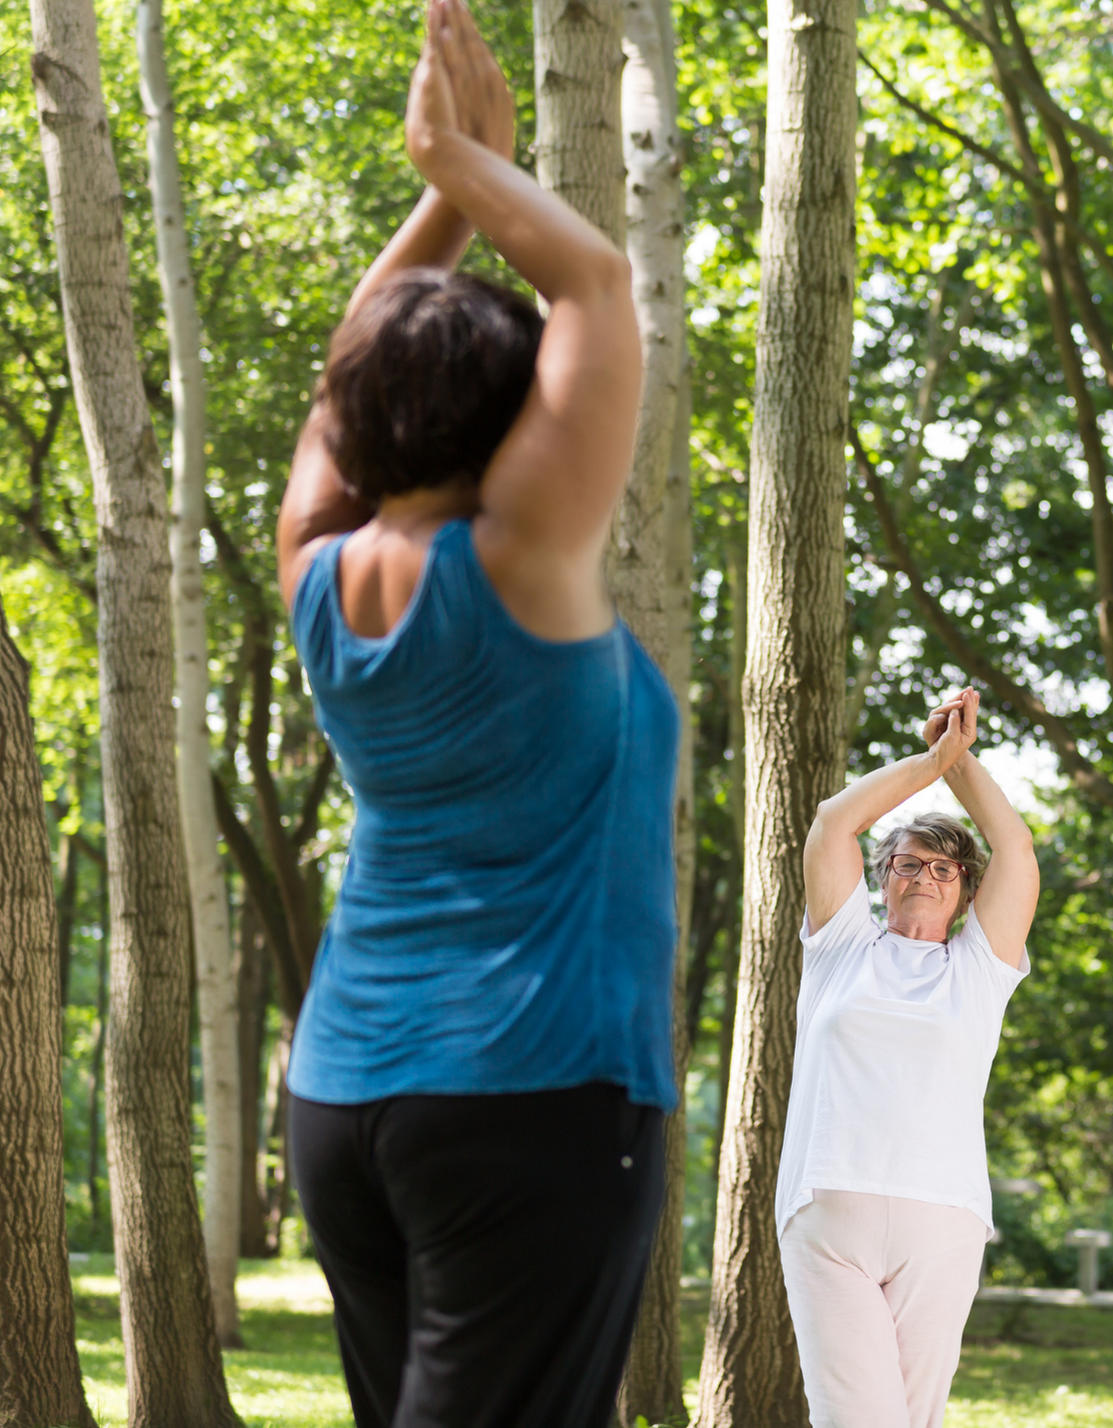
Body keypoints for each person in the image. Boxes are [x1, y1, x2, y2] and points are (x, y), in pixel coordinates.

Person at [274, 5, 674, 1424]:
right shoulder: (523, 560)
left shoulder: (320, 567)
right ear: (513, 420)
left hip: (346, 1100)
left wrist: (449, 191)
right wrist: (454, 159)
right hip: (531, 1093)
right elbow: (598, 285)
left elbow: (350, 376)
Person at [779, 686, 1040, 1428]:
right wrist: (931, 762)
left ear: (965, 893)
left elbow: (1016, 848)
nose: (924, 876)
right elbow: (835, 821)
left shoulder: (980, 969)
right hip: (830, 1210)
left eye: (945, 869)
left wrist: (965, 764)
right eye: (907, 862)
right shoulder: (841, 948)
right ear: (881, 876)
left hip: (944, 1220)